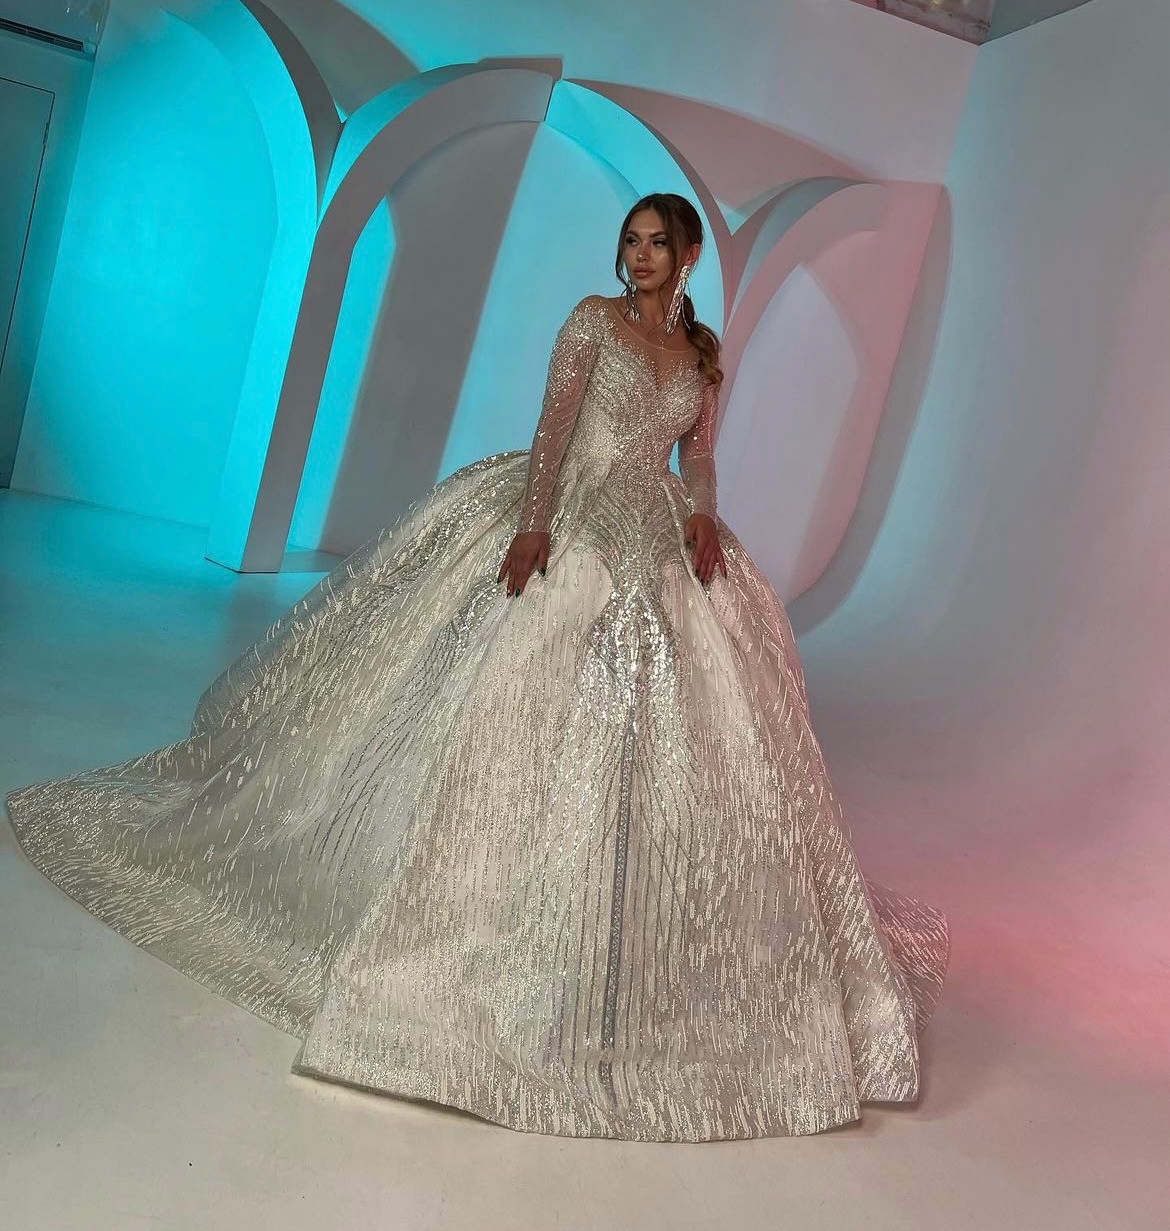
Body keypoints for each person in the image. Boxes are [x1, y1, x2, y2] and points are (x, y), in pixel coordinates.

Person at [6, 192, 948, 1142]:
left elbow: (698, 456)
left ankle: (632, 913)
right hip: (570, 507)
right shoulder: (593, 321)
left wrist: (703, 510)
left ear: (690, 253)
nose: (639, 256)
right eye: (630, 240)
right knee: (523, 673)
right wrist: (535, 524)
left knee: (685, 690)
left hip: (657, 524)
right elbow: (554, 427)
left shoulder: (701, 356)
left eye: (658, 243)